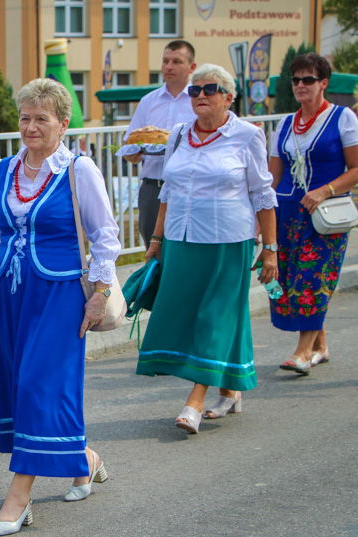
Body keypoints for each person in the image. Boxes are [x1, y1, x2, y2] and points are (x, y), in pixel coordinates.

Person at [0, 78, 121, 537]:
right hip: (9, 292)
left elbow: (105, 236)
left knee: (41, 383)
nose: (31, 126)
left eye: (42, 118)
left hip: (60, 294)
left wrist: (98, 293)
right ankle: (84, 461)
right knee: (20, 387)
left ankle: (19, 497)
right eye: (25, 117)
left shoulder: (80, 170)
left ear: (64, 123)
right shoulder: (1, 170)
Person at [137, 64, 279, 433]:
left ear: (229, 97)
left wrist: (270, 249)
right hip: (182, 240)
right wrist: (156, 240)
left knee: (215, 315)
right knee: (193, 315)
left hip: (227, 241)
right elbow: (167, 190)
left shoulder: (247, 136)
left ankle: (195, 400)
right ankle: (230, 388)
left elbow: (263, 194)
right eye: (195, 91)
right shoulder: (179, 135)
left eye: (211, 89)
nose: (201, 95)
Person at [267, 53, 358, 373]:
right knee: (288, 278)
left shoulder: (343, 118)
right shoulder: (285, 123)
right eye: (295, 80)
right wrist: (260, 214)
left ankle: (303, 352)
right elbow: (272, 176)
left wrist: (325, 190)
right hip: (287, 212)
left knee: (312, 278)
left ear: (323, 83)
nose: (300, 85)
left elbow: (356, 168)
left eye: (308, 79)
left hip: (326, 216)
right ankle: (320, 345)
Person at [124, 40, 198, 248]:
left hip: (187, 187)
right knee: (152, 249)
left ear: (192, 67)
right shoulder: (149, 101)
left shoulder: (199, 100)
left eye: (176, 61)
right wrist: (131, 154)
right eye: (165, 61)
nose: (169, 67)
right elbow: (131, 141)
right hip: (153, 187)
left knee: (184, 249)